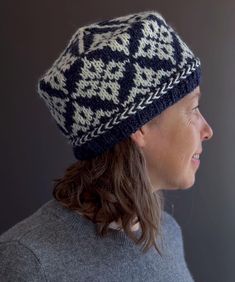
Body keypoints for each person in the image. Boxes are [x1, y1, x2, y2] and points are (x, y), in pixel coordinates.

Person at [0, 10, 213, 281]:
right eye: (192, 108)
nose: (207, 130)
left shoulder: (166, 234)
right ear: (139, 127)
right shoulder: (28, 261)